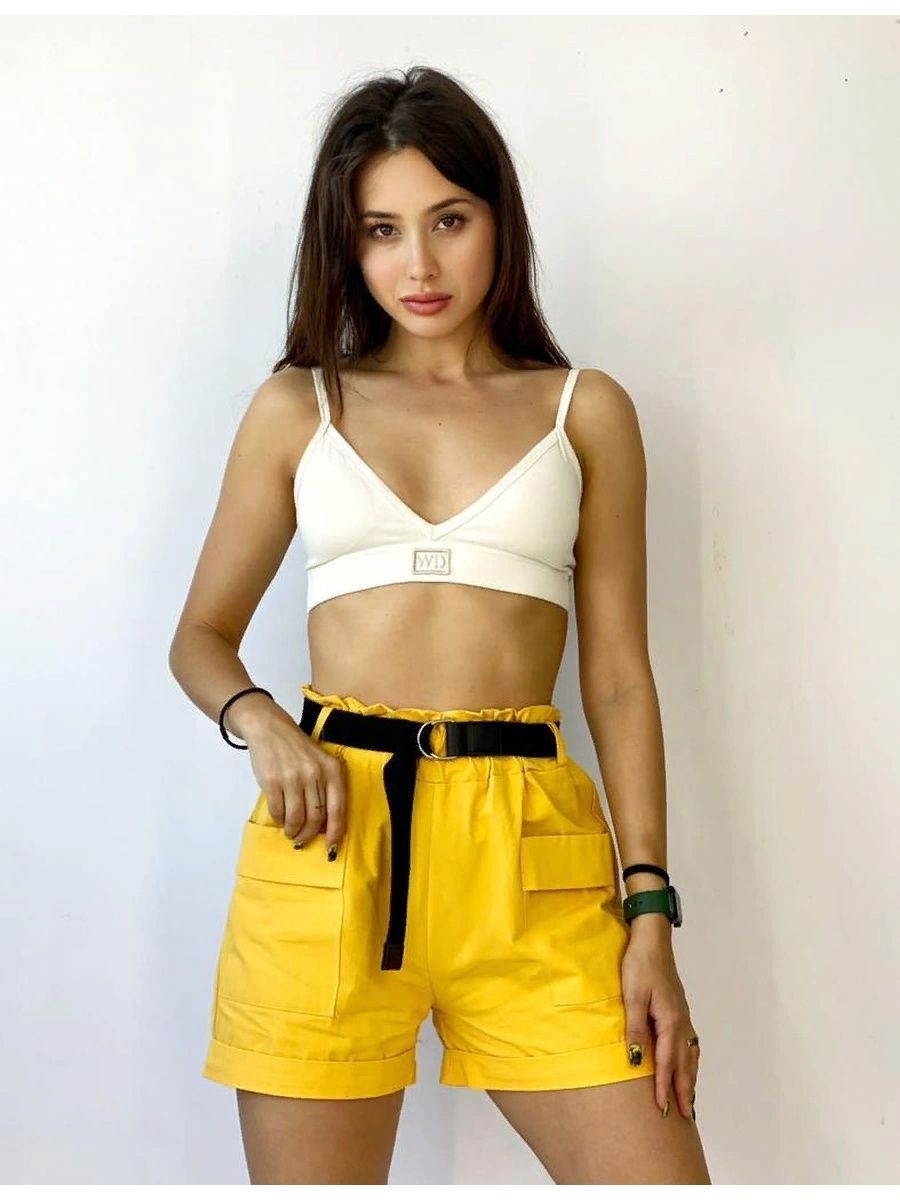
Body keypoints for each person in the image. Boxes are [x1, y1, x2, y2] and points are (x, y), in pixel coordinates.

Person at [169, 64, 711, 1186]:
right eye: (382, 231)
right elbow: (200, 636)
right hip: (328, 840)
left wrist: (650, 909)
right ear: (347, 245)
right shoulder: (299, 406)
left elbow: (618, 678)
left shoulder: (584, 411)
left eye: (449, 221)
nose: (418, 266)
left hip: (534, 861)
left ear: (499, 220)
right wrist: (262, 722)